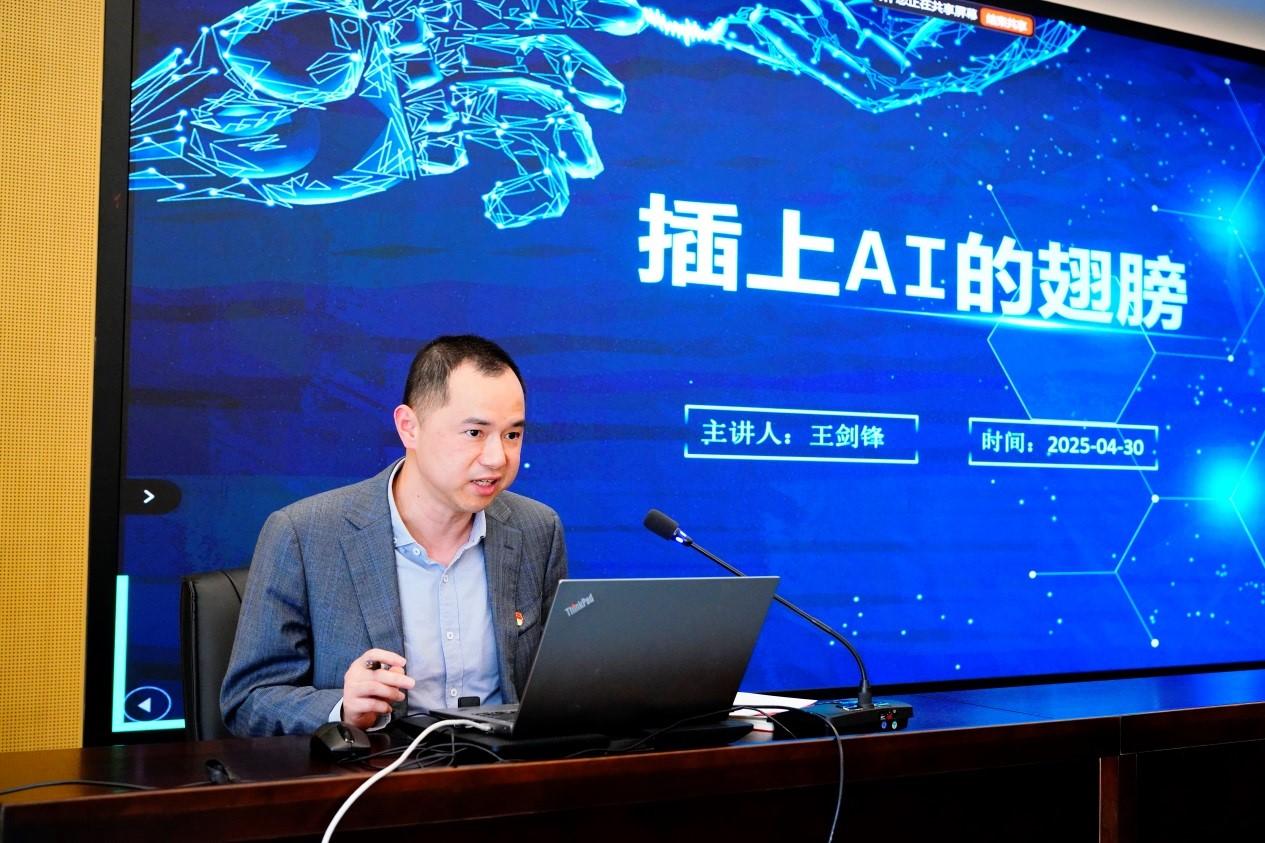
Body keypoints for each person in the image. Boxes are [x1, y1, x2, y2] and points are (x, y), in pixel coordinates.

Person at [221, 335, 568, 736]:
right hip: (377, 769)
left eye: (512, 435)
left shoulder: (537, 529)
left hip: (506, 768)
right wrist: (342, 710)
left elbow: (557, 683)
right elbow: (248, 701)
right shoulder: (303, 535)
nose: (497, 458)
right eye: (475, 433)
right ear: (409, 427)